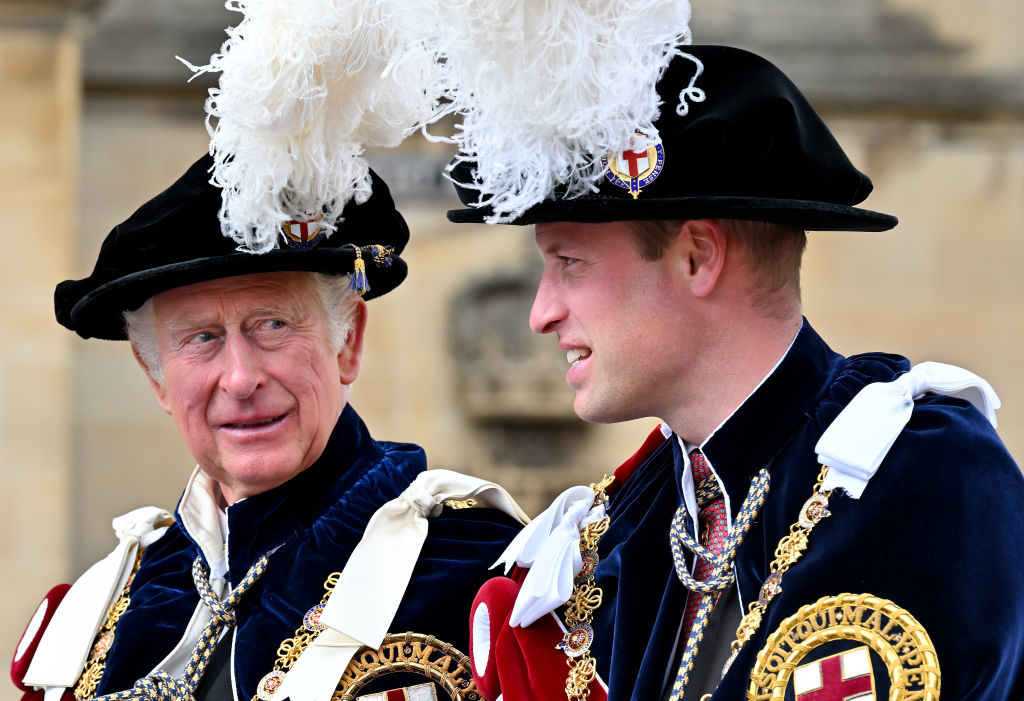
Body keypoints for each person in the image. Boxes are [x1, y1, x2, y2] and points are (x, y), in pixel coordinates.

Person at [445, 46, 1024, 700]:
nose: (541, 313)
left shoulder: (923, 479)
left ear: (696, 258)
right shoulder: (626, 527)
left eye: (570, 263)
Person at [11, 153, 525, 701]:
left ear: (347, 342)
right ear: (156, 377)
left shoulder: (475, 566)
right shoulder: (105, 606)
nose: (239, 378)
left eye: (272, 325)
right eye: (201, 338)